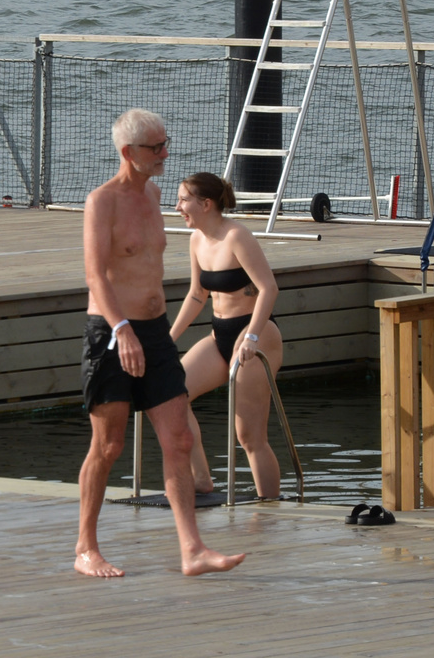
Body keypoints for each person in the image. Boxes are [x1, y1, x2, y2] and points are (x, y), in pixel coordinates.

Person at [74, 109, 245, 578]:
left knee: (179, 437)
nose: (166, 154)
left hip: (154, 330)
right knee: (108, 446)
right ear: (129, 152)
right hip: (112, 332)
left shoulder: (152, 195)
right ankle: (86, 547)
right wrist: (121, 330)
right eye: (156, 148)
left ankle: (192, 549)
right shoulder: (101, 202)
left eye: (166, 143)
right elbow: (95, 274)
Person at [166, 172, 285, 500]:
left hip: (256, 333)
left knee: (248, 436)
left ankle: (270, 508)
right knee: (173, 396)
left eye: (183, 200)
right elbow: (196, 295)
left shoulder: (237, 236)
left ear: (206, 204)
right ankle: (201, 479)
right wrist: (168, 339)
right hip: (220, 334)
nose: (177, 207)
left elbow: (268, 288)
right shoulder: (196, 240)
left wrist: (253, 338)